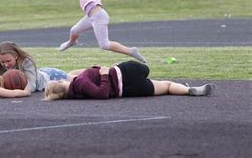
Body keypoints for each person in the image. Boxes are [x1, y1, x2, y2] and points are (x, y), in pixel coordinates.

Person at [44, 60, 215, 101]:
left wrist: (95, 69)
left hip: (127, 90)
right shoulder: (78, 84)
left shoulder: (76, 92)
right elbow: (101, 94)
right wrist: (103, 73)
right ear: (60, 84)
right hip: (123, 75)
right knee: (145, 69)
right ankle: (188, 89)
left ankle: (191, 90)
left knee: (167, 85)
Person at [0, 41, 74, 92]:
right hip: (39, 72)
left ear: (16, 56)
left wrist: (18, 92)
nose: (6, 64)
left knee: (76, 79)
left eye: (8, 61)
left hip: (51, 77)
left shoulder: (27, 62)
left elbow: (32, 85)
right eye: (2, 62)